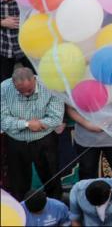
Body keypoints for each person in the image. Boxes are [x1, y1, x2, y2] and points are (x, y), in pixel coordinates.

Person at [0, 66, 64, 199]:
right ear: (13, 83)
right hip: (16, 141)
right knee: (18, 184)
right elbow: (3, 121)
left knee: (52, 179)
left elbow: (56, 118)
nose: (26, 95)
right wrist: (28, 124)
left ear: (34, 79)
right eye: (21, 91)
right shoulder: (4, 88)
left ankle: (57, 212)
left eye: (29, 90)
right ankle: (22, 215)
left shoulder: (50, 86)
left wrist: (36, 124)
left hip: (44, 139)